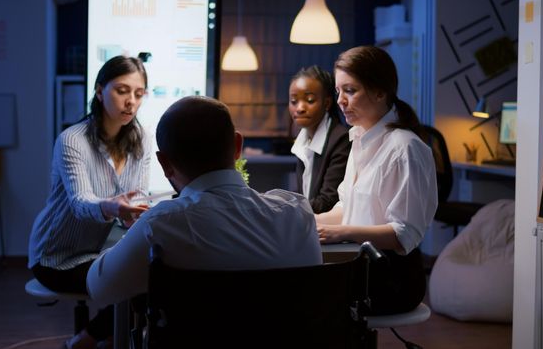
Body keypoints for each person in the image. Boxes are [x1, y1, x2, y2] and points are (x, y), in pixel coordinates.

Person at [86, 95, 323, 306]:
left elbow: (99, 289)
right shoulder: (297, 213)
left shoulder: (159, 226)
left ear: (164, 163)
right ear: (237, 146)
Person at [27, 55, 153, 348]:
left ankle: (100, 339)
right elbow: (81, 203)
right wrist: (114, 207)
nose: (131, 101)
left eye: (138, 93)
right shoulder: (73, 139)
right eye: (122, 91)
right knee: (135, 285)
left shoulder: (143, 139)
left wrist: (137, 212)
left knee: (151, 279)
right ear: (99, 91)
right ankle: (84, 341)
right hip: (55, 256)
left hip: (97, 250)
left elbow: (138, 195)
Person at [316, 46, 438, 315]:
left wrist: (341, 232)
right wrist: (304, 219)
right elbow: (347, 209)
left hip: (392, 278)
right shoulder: (359, 138)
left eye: (349, 90)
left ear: (380, 91)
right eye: (338, 92)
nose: (340, 101)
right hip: (360, 269)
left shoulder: (406, 148)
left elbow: (402, 234)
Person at [289, 65, 351, 213]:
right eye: (293, 101)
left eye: (309, 100)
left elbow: (328, 201)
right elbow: (302, 196)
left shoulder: (342, 140)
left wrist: (286, 211)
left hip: (331, 230)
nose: (300, 108)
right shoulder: (303, 139)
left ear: (327, 103)